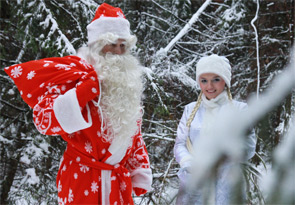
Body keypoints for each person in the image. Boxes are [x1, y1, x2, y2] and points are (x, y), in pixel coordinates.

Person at [4, 3, 152, 205]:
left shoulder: (127, 84)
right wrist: (82, 93)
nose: (118, 52)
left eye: (123, 45)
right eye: (112, 44)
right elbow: (44, 122)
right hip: (80, 181)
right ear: (98, 46)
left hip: (117, 184)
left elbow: (133, 132)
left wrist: (140, 167)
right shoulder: (75, 76)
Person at [174, 54, 257, 204]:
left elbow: (249, 147)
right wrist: (188, 163)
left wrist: (223, 158)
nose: (209, 86)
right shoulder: (190, 110)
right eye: (204, 80)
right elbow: (180, 144)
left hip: (227, 183)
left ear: (225, 81)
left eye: (216, 80)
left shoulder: (240, 110)